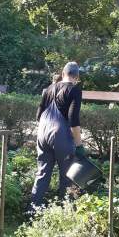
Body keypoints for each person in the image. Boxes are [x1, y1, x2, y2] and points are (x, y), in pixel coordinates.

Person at [30, 62, 85, 209]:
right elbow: (73, 120)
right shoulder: (74, 90)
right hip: (60, 135)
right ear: (77, 77)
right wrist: (79, 145)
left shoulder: (49, 88)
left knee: (42, 173)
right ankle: (64, 212)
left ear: (63, 73)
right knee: (67, 175)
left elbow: (38, 115)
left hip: (42, 134)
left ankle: (33, 210)